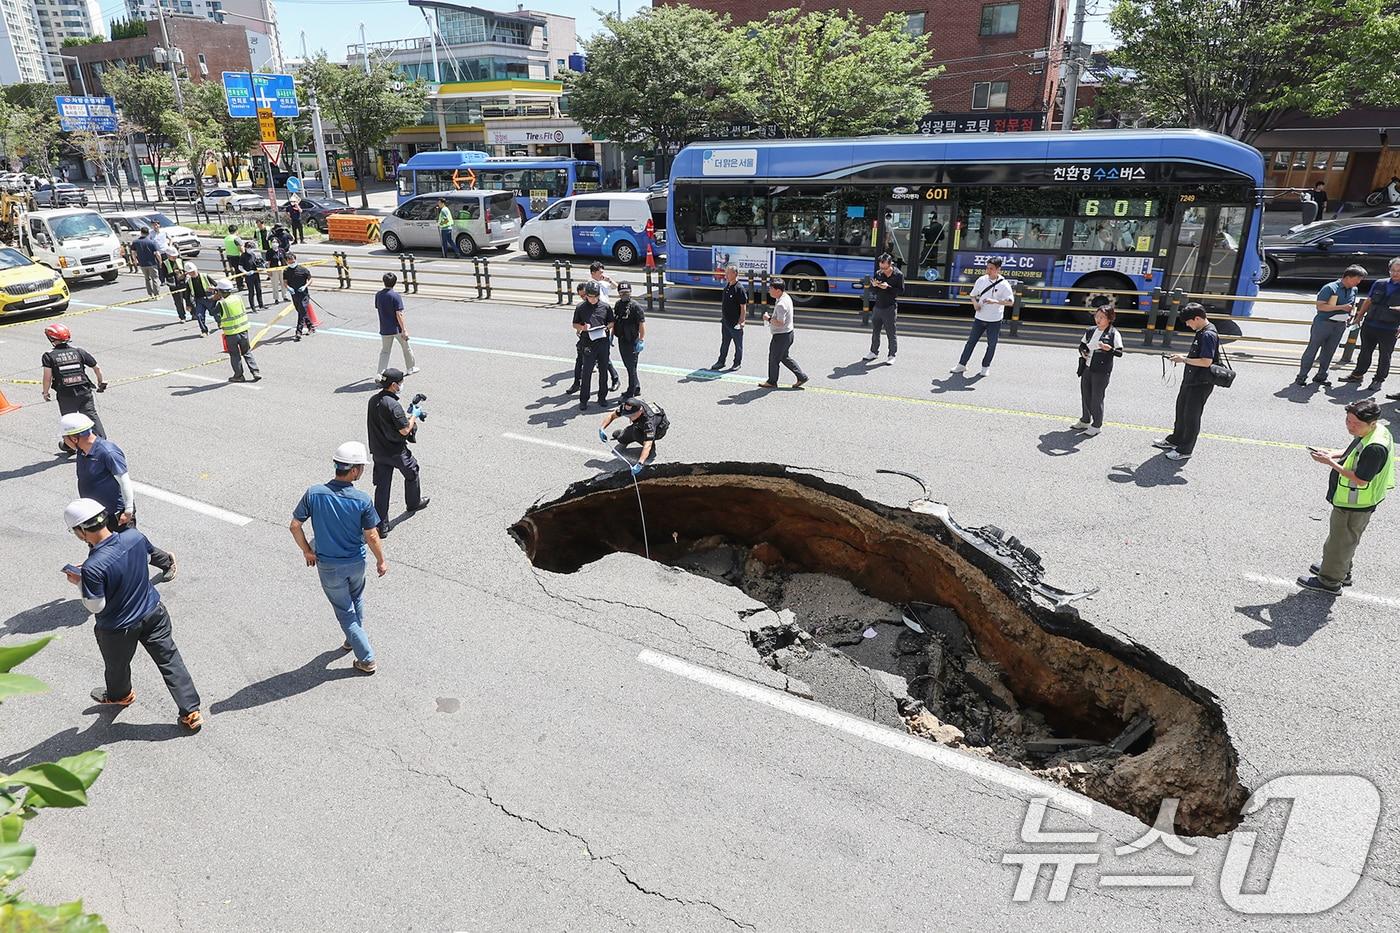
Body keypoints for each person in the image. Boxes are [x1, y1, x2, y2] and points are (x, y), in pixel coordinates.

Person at [62, 498, 203, 732]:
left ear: (81, 531)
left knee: (117, 665)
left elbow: (95, 606)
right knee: (169, 659)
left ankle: (121, 695)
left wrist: (80, 581)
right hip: (153, 611)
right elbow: (148, 557)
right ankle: (191, 711)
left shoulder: (93, 568)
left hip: (118, 628)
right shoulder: (133, 537)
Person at [289, 441, 386, 674]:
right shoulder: (361, 499)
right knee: (356, 600)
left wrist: (307, 550)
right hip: (356, 563)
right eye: (361, 467)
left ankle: (367, 657)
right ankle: (353, 640)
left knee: (344, 611)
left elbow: (295, 526)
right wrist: (381, 560)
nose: (362, 470)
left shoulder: (314, 493)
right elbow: (372, 535)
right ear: (353, 470)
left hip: (329, 566)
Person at [60, 413, 176, 579]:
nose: (63, 442)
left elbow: (125, 481)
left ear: (75, 438)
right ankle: (102, 579)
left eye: (65, 437)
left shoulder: (108, 452)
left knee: (132, 545)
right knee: (97, 546)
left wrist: (127, 510)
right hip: (94, 513)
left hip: (117, 512)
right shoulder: (81, 451)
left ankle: (166, 561)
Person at [1297, 399, 1393, 593]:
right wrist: (1332, 454)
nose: (1350, 426)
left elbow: (1360, 480)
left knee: (1339, 542)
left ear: (1371, 423)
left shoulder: (1375, 447)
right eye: (1348, 421)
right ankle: (1341, 570)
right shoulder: (1375, 430)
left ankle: (1330, 581)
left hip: (1355, 503)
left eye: (1355, 424)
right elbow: (1354, 451)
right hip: (1359, 502)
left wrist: (1330, 463)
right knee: (1347, 539)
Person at [367, 368, 429, 536]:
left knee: (382, 487)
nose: (401, 385)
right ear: (394, 385)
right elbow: (404, 430)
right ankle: (413, 502)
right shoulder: (393, 405)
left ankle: (381, 526)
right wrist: (414, 416)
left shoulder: (374, 400)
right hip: (396, 452)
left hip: (378, 451)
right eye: (400, 383)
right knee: (412, 472)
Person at [1153, 302, 1219, 461]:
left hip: (1200, 383)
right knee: (1181, 411)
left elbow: (1206, 361)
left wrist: (1183, 360)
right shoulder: (1201, 330)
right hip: (1191, 379)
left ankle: (1185, 449)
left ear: (1197, 318)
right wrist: (1183, 358)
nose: (1188, 325)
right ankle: (1176, 439)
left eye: (1189, 322)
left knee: (1191, 416)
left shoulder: (1208, 334)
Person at [42, 323, 106, 454]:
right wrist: (101, 382)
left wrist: (45, 392)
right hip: (84, 391)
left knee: (70, 421)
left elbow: (47, 377)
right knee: (91, 416)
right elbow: (97, 368)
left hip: (66, 395)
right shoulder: (79, 351)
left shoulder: (49, 356)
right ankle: (102, 442)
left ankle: (71, 446)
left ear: (51, 339)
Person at [1298, 264, 1366, 386]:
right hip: (1323, 323)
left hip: (1340, 324)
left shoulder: (1354, 290)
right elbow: (1320, 306)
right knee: (1312, 349)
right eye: (1357, 280)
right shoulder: (1330, 288)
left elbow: (1352, 305)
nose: (1358, 283)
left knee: (1329, 351)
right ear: (1348, 277)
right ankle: (1302, 376)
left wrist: (1350, 314)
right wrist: (1342, 307)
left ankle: (1322, 376)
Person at [1342, 257, 1400, 392]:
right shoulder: (1380, 283)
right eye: (1393, 270)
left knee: (1385, 355)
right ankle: (1357, 374)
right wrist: (1359, 316)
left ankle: (1378, 380)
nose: (1395, 273)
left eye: (1398, 271)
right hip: (1370, 324)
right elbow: (1369, 301)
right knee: (1365, 351)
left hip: (1390, 327)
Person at [953, 257, 1015, 377]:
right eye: (987, 268)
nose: (988, 271)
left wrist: (995, 301)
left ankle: (985, 367)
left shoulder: (1004, 284)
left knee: (991, 344)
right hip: (980, 317)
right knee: (971, 342)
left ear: (998, 269)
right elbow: (972, 295)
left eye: (991, 268)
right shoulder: (981, 280)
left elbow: (1010, 302)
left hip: (995, 320)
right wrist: (975, 303)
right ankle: (961, 365)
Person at [1072, 305, 1124, 436]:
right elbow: (1082, 345)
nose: (1098, 319)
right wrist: (1083, 351)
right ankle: (1085, 420)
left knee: (1096, 397)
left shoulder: (1113, 333)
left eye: (1102, 317)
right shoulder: (1090, 330)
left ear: (1109, 319)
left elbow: (1119, 353)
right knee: (1085, 394)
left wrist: (1109, 349)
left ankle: (1096, 425)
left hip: (1101, 370)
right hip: (1087, 367)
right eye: (1097, 316)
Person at [566, 282, 618, 396]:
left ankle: (606, 390)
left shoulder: (604, 306)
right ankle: (581, 394)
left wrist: (606, 328)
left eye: (594, 296)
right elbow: (575, 324)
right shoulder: (581, 307)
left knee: (603, 367)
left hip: (602, 339)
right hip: (586, 341)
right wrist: (582, 328)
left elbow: (611, 322)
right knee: (584, 368)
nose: (591, 299)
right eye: (588, 297)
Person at [758, 278, 808, 389]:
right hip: (788, 334)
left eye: (771, 289)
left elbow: (780, 322)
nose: (769, 290)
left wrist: (768, 318)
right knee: (784, 357)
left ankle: (772, 381)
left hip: (781, 335)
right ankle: (801, 377)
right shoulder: (785, 296)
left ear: (778, 290)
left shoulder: (781, 303)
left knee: (773, 359)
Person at [211, 278, 261, 382]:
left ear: (221, 291)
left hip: (231, 334)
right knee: (247, 352)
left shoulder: (222, 304)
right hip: (243, 330)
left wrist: (214, 299)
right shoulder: (238, 298)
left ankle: (238, 376)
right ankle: (255, 371)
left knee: (235, 355)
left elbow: (213, 312)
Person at [599, 397, 668, 471]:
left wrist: (640, 464)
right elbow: (612, 415)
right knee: (622, 439)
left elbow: (648, 444)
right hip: (639, 424)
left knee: (637, 434)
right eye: (627, 415)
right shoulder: (627, 407)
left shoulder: (648, 422)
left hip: (659, 429)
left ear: (640, 411)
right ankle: (622, 434)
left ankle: (651, 449)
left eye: (631, 415)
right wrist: (602, 429)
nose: (630, 418)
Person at [376, 272, 418, 376]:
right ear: (395, 282)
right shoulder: (395, 296)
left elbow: (378, 307)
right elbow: (399, 314)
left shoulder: (378, 295)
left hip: (384, 328)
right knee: (406, 348)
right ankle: (410, 368)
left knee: (385, 352)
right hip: (396, 329)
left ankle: (380, 374)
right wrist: (404, 329)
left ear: (384, 281)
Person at [864, 252, 903, 364]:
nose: (883, 270)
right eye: (881, 267)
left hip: (890, 307)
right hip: (878, 306)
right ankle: (873, 352)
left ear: (890, 264)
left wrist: (888, 287)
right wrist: (874, 286)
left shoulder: (898, 275)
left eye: (885, 268)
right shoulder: (878, 273)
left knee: (891, 332)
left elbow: (901, 291)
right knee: (875, 331)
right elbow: (873, 291)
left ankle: (892, 355)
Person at [612, 281, 646, 398]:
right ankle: (636, 388)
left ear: (630, 292)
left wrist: (641, 340)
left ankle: (630, 392)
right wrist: (611, 336)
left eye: (626, 292)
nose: (624, 294)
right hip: (621, 339)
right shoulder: (617, 305)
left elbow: (641, 324)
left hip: (632, 340)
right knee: (629, 366)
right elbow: (615, 321)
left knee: (631, 367)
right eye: (622, 292)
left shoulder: (635, 306)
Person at [712, 265, 747, 371]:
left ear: (735, 274)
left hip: (735, 322)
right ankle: (721, 361)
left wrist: (742, 321)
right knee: (725, 342)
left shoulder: (739, 288)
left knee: (738, 345)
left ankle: (737, 363)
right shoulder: (727, 286)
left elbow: (743, 306)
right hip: (725, 321)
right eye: (726, 272)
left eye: (728, 273)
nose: (725, 275)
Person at [283, 253, 314, 340]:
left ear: (295, 259)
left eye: (292, 260)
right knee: (301, 311)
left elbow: (310, 279)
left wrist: (305, 286)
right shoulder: (286, 271)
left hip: (303, 295)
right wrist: (288, 288)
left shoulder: (303, 269)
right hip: (294, 295)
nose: (291, 262)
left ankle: (298, 332)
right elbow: (285, 282)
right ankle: (310, 327)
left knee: (301, 311)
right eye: (289, 260)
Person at [185, 261, 215, 336]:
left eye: (193, 271)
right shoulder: (189, 281)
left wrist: (214, 289)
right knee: (199, 315)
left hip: (209, 298)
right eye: (190, 272)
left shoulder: (204, 276)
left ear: (196, 269)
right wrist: (188, 304)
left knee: (214, 312)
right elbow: (187, 294)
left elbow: (215, 284)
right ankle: (204, 331)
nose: (192, 273)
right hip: (198, 300)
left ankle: (219, 322)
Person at [160, 248, 190, 322]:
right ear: (168, 255)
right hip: (174, 285)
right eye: (173, 256)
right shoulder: (165, 263)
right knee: (178, 302)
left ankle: (194, 313)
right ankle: (182, 317)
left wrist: (184, 274)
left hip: (183, 283)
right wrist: (173, 273)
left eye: (176, 256)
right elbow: (164, 274)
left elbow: (184, 269)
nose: (175, 258)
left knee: (189, 299)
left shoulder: (180, 260)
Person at [131, 226, 161, 297]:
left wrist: (135, 261)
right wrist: (160, 261)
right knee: (155, 279)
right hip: (152, 263)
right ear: (148, 233)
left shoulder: (135, 242)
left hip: (142, 264)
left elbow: (133, 253)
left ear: (141, 233)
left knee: (147, 279)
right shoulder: (151, 242)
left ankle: (150, 294)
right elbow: (157, 253)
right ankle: (156, 294)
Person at [236, 239, 266, 310]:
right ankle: (253, 307)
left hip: (256, 274)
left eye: (252, 248)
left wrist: (262, 265)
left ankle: (261, 305)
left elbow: (256, 263)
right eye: (249, 248)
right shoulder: (243, 256)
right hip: (249, 276)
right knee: (251, 291)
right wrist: (246, 272)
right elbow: (240, 267)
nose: (251, 249)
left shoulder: (253, 255)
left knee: (259, 290)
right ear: (246, 248)